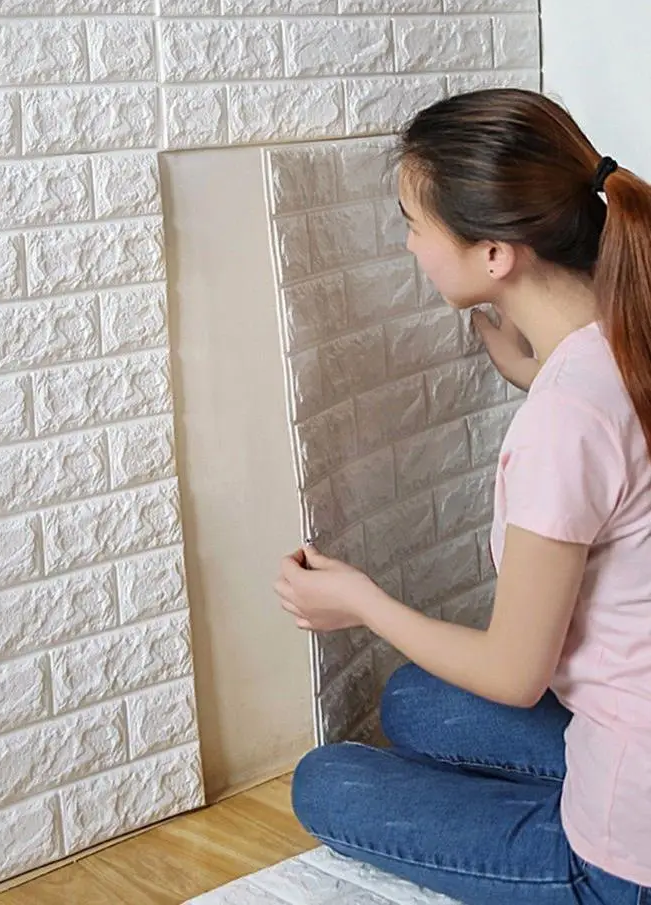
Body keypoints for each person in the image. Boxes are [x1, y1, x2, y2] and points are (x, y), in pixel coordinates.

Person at [275, 89, 651, 905]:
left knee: (325, 780)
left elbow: (515, 675)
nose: (410, 245)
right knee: (413, 700)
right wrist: (535, 372)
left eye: (414, 223)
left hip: (628, 857)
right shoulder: (628, 341)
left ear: (493, 254)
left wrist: (361, 602)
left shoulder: (566, 419)